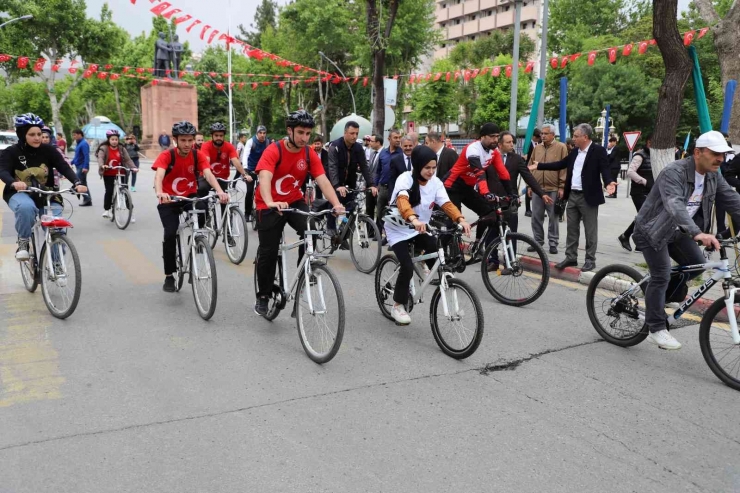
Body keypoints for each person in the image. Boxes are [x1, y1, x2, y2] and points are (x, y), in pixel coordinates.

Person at [632, 131, 740, 350]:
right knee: (661, 274)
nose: (720, 158)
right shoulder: (674, 171)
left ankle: (659, 300)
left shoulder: (713, 175)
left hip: (677, 231)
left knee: (697, 265)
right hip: (652, 231)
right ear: (697, 152)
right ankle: (656, 328)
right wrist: (696, 232)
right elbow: (674, 204)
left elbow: (731, 198)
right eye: (715, 153)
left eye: (724, 154)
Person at [253, 110, 345, 316]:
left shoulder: (308, 153)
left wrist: (337, 204)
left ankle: (305, 275)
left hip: (294, 200)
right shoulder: (273, 150)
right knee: (268, 251)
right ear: (290, 131)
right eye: (301, 133)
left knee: (311, 228)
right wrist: (269, 201)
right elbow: (265, 177)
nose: (305, 138)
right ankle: (263, 295)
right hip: (268, 204)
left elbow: (322, 179)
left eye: (308, 133)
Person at [384, 146, 471, 325]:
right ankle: (398, 305)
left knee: (437, 251)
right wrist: (413, 219)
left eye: (434, 167)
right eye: (427, 168)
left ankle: (440, 281)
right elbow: (402, 201)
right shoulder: (405, 179)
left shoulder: (436, 182)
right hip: (399, 229)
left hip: (420, 228)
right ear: (417, 166)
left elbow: (446, 203)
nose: (431, 172)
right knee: (407, 266)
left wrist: (460, 219)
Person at [153, 121, 229, 293]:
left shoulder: (197, 155)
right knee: (170, 234)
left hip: (189, 196)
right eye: (183, 140)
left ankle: (196, 238)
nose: (187, 144)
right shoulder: (167, 155)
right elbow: (159, 176)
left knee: (202, 209)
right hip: (169, 199)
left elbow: (208, 174)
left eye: (190, 140)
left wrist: (220, 191)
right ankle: (169, 275)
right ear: (175, 140)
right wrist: (160, 193)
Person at [529, 123, 617, 272]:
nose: (573, 139)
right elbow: (561, 164)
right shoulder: (575, 152)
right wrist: (540, 166)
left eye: (576, 136)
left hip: (588, 197)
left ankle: (590, 260)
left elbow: (605, 169)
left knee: (590, 230)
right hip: (573, 196)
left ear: (585, 137)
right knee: (572, 229)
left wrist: (609, 182)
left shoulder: (598, 151)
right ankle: (571, 257)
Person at [0, 114, 87, 260]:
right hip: (20, 193)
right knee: (26, 208)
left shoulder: (49, 150)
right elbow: (2, 170)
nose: (37, 138)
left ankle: (57, 263)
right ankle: (23, 242)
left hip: (46, 193)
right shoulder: (11, 152)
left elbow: (63, 167)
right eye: (32, 134)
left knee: (56, 227)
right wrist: (13, 183)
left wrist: (77, 182)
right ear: (22, 135)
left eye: (39, 134)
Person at [484, 131, 551, 272]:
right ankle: (493, 260)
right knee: (491, 234)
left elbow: (528, 177)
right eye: (508, 142)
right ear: (500, 144)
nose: (511, 144)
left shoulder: (516, 159)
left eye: (512, 142)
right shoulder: (488, 157)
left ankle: (510, 263)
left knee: (510, 234)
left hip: (509, 203)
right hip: (492, 203)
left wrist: (541, 193)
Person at [443, 123, 511, 224]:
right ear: (482, 136)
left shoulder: (494, 152)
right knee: (455, 222)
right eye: (492, 136)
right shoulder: (473, 148)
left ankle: (482, 240)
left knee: (490, 214)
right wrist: (486, 193)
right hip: (452, 186)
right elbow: (479, 172)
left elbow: (503, 173)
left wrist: (511, 194)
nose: (496, 140)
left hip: (467, 187)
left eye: (497, 136)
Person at [326, 121, 377, 234]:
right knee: (335, 205)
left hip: (350, 183)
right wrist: (337, 186)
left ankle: (344, 232)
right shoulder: (335, 146)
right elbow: (332, 167)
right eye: (352, 133)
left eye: (356, 133)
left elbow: (364, 167)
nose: (354, 136)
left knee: (351, 209)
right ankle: (330, 227)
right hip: (335, 183)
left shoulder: (358, 148)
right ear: (345, 132)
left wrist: (372, 184)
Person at [529, 123, 568, 255]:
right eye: (542, 134)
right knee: (536, 217)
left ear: (553, 134)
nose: (543, 136)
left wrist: (562, 187)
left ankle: (553, 243)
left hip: (554, 188)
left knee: (553, 217)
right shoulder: (537, 148)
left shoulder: (561, 147)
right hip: (538, 189)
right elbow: (530, 166)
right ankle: (537, 242)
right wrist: (530, 185)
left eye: (546, 134)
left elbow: (564, 168)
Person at [200, 122, 248, 220]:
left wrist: (244, 174)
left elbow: (235, 161)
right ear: (212, 136)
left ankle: (227, 230)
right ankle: (205, 216)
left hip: (222, 179)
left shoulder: (229, 146)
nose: (219, 138)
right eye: (216, 135)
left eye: (221, 136)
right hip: (207, 178)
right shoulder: (206, 146)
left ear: (224, 136)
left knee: (225, 202)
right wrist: (207, 173)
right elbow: (206, 161)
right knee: (202, 191)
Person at [618, 135, 653, 252]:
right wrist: (644, 181)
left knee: (644, 217)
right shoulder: (639, 155)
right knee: (645, 216)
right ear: (649, 142)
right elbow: (630, 172)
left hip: (649, 191)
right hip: (638, 192)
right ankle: (629, 237)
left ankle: (631, 239)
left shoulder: (654, 156)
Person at [96, 130, 138, 221]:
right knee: (109, 191)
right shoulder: (104, 148)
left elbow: (128, 159)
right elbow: (100, 158)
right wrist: (102, 165)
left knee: (124, 191)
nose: (114, 141)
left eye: (116, 139)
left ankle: (131, 212)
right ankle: (107, 210)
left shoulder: (122, 148)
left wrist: (133, 167)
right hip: (108, 172)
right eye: (112, 139)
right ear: (109, 140)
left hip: (121, 171)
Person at [374, 129, 402, 241]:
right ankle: (380, 235)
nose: (398, 140)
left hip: (395, 190)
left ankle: (392, 239)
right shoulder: (383, 153)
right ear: (389, 139)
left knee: (394, 215)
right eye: (395, 138)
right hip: (383, 188)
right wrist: (376, 185)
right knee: (380, 213)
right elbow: (378, 170)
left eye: (399, 137)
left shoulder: (401, 153)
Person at [243, 125, 272, 220]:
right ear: (257, 133)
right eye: (260, 133)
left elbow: (271, 156)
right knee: (250, 192)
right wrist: (245, 170)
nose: (262, 135)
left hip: (262, 170)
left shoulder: (268, 142)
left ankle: (263, 211)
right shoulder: (251, 142)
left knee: (264, 191)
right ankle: (247, 213)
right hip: (251, 169)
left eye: (264, 133)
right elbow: (245, 156)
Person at [364, 134, 384, 224]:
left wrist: (378, 186)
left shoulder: (384, 153)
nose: (369, 143)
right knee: (369, 208)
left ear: (378, 142)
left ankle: (378, 232)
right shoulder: (372, 154)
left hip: (379, 187)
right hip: (370, 186)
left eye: (371, 141)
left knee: (379, 210)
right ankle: (370, 232)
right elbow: (369, 170)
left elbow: (383, 172)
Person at [70, 128, 92, 206]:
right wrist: (71, 162)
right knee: (83, 183)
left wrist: (85, 167)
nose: (74, 136)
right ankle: (87, 199)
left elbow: (86, 156)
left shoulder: (84, 144)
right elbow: (77, 156)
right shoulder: (79, 143)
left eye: (75, 135)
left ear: (80, 134)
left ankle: (74, 191)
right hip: (79, 165)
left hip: (82, 166)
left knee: (78, 181)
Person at [524, 128, 542, 216]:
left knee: (537, 187)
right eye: (538, 137)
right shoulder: (528, 144)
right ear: (534, 137)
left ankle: (539, 209)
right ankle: (527, 209)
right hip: (528, 167)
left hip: (537, 167)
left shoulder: (539, 144)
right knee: (529, 187)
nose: (539, 139)